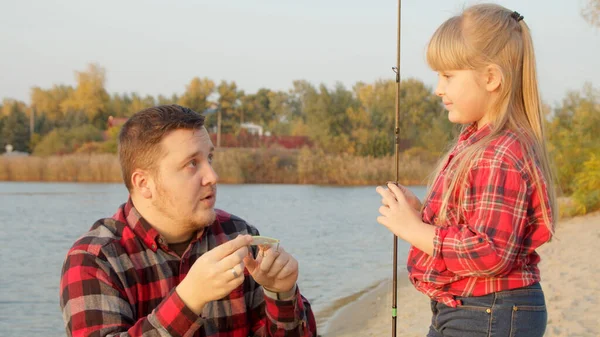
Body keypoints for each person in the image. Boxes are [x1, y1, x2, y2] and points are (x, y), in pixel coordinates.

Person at [375, 4, 556, 337]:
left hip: (490, 309)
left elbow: (491, 251)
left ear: (490, 78)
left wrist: (415, 231)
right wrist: (424, 216)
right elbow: (475, 227)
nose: (438, 89)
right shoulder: (479, 142)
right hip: (471, 306)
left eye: (448, 76)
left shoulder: (498, 152)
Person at [59, 104, 317, 337]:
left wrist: (281, 294)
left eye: (210, 158)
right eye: (192, 164)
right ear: (144, 183)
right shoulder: (94, 259)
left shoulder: (237, 236)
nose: (212, 176)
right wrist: (189, 298)